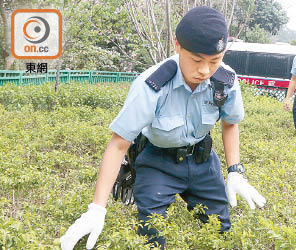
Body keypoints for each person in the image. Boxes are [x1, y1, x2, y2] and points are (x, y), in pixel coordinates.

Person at [59, 6, 266, 250]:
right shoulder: (152, 85)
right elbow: (118, 145)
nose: (204, 70)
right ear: (177, 46)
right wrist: (96, 209)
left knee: (220, 229)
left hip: (202, 160)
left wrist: (235, 171)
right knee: (151, 234)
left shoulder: (225, 80)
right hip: (158, 162)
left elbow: (230, 124)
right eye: (197, 60)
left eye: (214, 61)